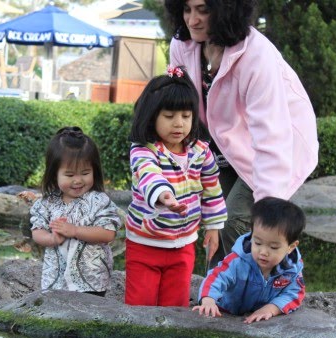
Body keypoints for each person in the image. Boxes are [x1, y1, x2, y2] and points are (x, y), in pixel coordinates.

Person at [165, 0, 319, 265]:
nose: (192, 20)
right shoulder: (182, 45)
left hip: (279, 145)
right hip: (225, 144)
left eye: (203, 10)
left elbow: (272, 137)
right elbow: (178, 107)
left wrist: (269, 210)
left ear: (226, 10)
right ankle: (217, 285)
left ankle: (256, 285)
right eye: (187, 9)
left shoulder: (257, 56)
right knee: (214, 218)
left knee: (237, 219)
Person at [125, 65, 227, 307]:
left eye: (186, 116)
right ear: (152, 116)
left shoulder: (200, 151)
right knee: (140, 306)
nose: (179, 124)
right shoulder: (144, 150)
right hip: (145, 242)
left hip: (183, 245)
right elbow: (149, 175)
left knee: (176, 307)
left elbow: (212, 189)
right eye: (169, 117)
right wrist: (164, 196)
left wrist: (214, 227)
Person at [30, 127, 122, 296]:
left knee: (90, 311)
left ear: (94, 170)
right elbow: (37, 230)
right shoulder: (48, 202)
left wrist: (75, 231)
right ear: (54, 174)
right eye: (70, 175)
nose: (78, 180)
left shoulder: (99, 201)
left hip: (91, 281)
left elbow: (108, 233)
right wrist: (51, 239)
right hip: (55, 280)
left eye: (85, 173)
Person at [193, 197, 306, 324]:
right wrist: (208, 299)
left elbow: (295, 293)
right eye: (257, 243)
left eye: (273, 247)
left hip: (260, 321)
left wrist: (271, 308)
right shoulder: (238, 261)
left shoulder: (291, 268)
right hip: (225, 312)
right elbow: (216, 277)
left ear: (291, 247)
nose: (263, 252)